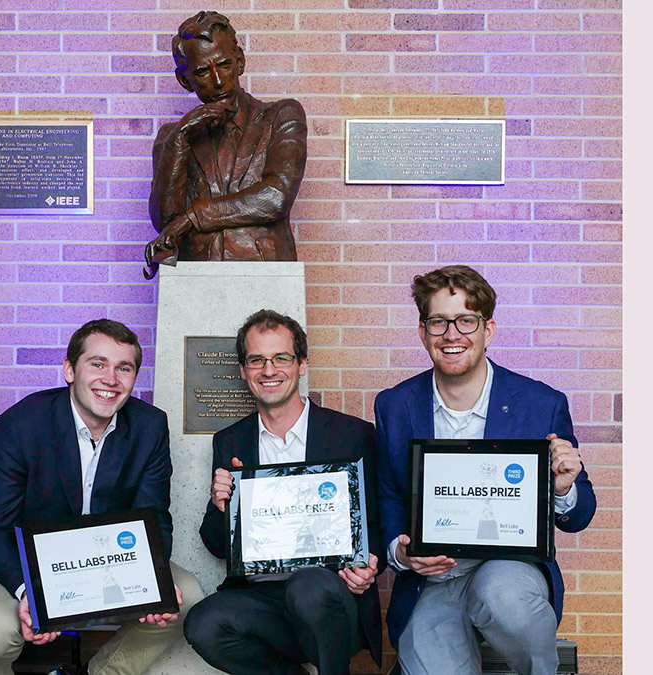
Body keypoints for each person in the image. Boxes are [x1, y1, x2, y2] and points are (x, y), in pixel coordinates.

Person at [374, 266, 596, 675]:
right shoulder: (394, 405)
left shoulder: (541, 403)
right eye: (438, 321)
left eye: (466, 320)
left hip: (508, 570)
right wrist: (401, 553)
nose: (451, 334)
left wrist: (564, 489)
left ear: (488, 330)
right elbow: (389, 494)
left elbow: (579, 517)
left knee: (501, 595)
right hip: (435, 577)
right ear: (423, 332)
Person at [0, 319, 203, 675]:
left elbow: (155, 517)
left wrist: (154, 581)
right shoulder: (19, 425)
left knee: (187, 598)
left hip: (105, 561)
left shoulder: (149, 426)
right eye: (97, 364)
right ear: (70, 370)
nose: (110, 379)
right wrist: (31, 595)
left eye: (124, 368)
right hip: (18, 564)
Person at [184, 310, 383, 675]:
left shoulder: (353, 434)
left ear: (302, 364)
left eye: (282, 358)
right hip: (263, 602)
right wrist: (222, 506)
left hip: (329, 597)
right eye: (256, 360)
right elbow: (215, 544)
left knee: (308, 587)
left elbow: (377, 522)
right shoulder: (230, 441)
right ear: (243, 370)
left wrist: (369, 565)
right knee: (203, 624)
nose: (269, 370)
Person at [144, 11, 307, 275]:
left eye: (224, 65)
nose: (218, 81)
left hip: (266, 272)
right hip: (194, 278)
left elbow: (276, 197)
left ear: (240, 62)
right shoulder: (172, 137)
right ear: (185, 80)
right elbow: (165, 222)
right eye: (202, 72)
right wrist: (181, 139)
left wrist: (192, 218)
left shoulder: (281, 115)